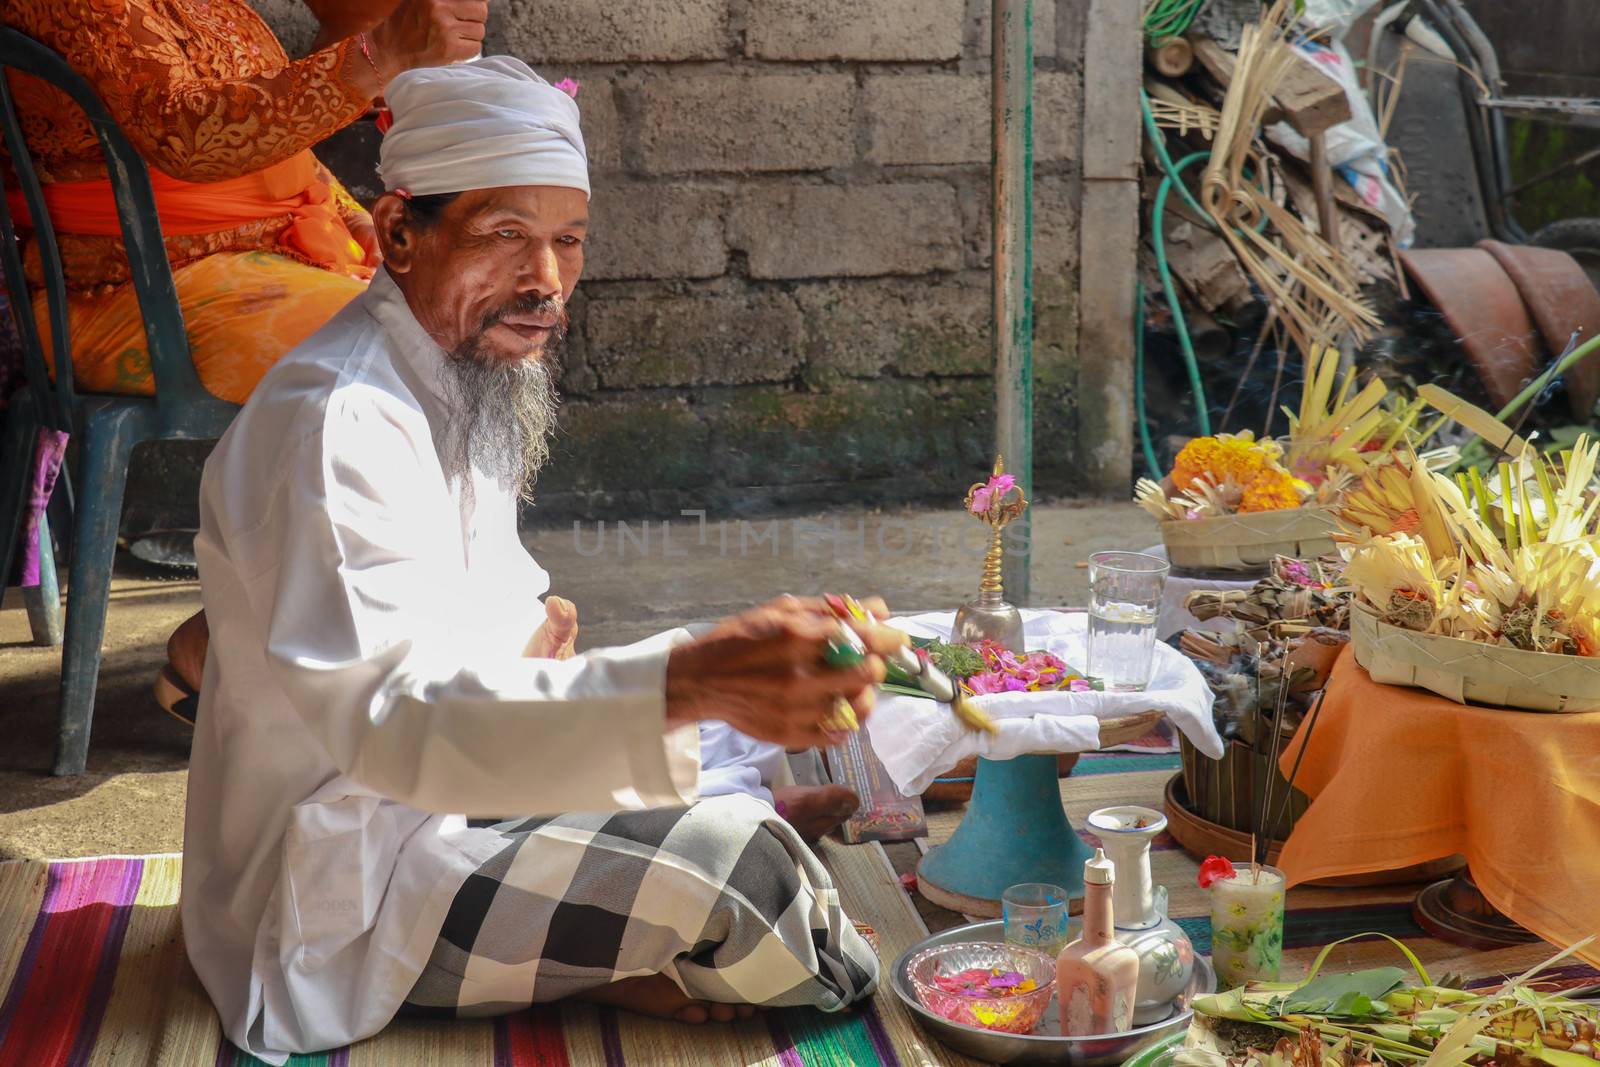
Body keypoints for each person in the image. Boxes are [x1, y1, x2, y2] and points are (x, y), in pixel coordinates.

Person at [183, 57, 887, 1062]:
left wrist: (563, 643)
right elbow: (396, 723)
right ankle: (646, 916)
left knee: (819, 713)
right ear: (398, 233)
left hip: (469, 796)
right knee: (755, 880)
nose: (546, 281)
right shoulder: (340, 422)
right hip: (347, 887)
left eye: (566, 241)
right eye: (506, 234)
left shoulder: (457, 372)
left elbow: (496, 632)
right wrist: (686, 677)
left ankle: (642, 900)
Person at [1, 0, 486, 403]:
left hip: (261, 265)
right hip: (134, 293)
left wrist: (352, 218)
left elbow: (284, 157)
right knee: (406, 349)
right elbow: (185, 140)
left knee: (468, 327)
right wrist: (382, 51)